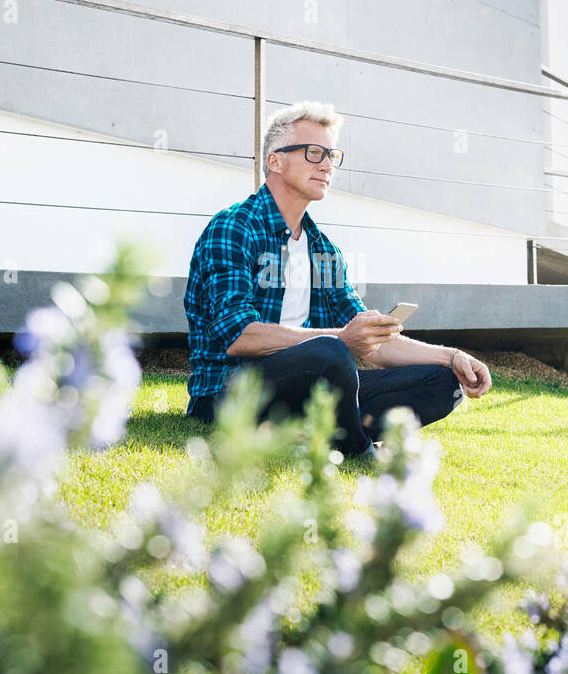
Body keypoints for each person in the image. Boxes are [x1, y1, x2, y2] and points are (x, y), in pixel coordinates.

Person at [182, 100, 492, 457]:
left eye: (332, 155)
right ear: (275, 161)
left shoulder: (323, 250)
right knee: (330, 352)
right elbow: (238, 336)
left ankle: (315, 434)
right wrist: (342, 339)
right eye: (314, 153)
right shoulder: (234, 227)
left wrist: (451, 357)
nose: (327, 165)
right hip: (231, 395)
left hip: (306, 388)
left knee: (440, 383)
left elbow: (370, 341)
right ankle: (358, 449)